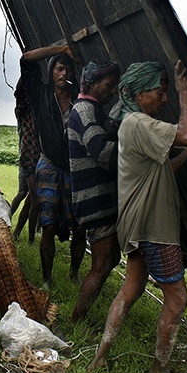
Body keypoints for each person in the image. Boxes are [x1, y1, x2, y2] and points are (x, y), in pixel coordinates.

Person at [89, 60, 187, 373]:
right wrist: (183, 94)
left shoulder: (133, 126)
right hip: (154, 226)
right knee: (178, 299)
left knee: (131, 289)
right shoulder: (138, 121)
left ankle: (100, 358)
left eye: (166, 91)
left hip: (137, 223)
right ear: (136, 93)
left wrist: (186, 156)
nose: (162, 99)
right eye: (158, 92)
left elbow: (161, 168)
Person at [19, 44, 80, 288]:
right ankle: (47, 279)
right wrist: (62, 47)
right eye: (59, 68)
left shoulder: (79, 99)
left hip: (75, 168)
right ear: (51, 71)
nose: (63, 74)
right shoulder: (41, 94)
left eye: (67, 69)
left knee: (79, 225)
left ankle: (74, 275)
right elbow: (26, 60)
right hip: (48, 164)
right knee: (48, 224)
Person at [67, 60, 122, 322]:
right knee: (101, 264)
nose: (112, 91)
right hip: (94, 199)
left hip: (98, 198)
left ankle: (81, 315)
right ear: (92, 84)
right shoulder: (86, 110)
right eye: (109, 85)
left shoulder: (92, 109)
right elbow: (103, 153)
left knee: (110, 260)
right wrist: (131, 143)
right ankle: (77, 318)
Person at [10, 77, 40, 243]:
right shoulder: (24, 109)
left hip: (32, 159)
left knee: (26, 196)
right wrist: (26, 70)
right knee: (33, 199)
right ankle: (29, 239)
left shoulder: (37, 112)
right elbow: (19, 92)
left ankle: (14, 231)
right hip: (29, 159)